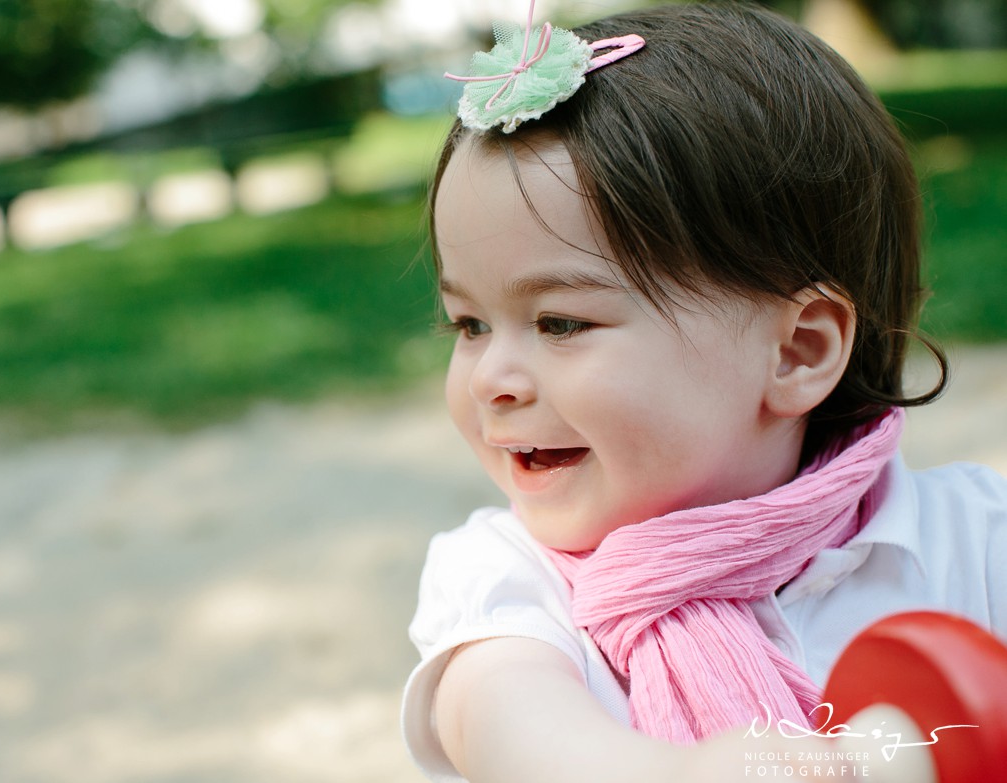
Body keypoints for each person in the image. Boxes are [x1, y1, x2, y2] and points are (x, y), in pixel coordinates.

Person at [401, 3, 1007, 782]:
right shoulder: (503, 583)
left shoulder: (969, 539)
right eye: (470, 324)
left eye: (558, 322)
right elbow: (517, 736)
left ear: (797, 351)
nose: (490, 379)